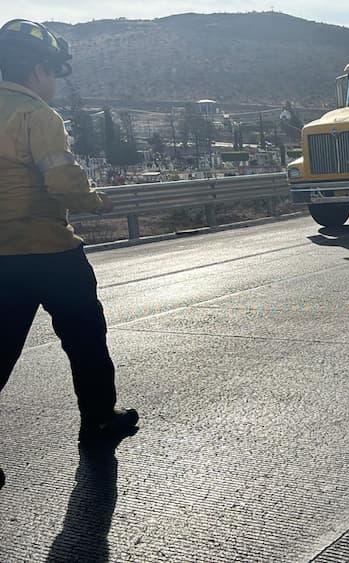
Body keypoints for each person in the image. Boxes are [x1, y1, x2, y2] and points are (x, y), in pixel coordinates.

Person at [0, 18, 139, 468]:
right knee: (85, 339)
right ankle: (98, 421)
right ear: (39, 69)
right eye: (55, 73)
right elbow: (62, 179)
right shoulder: (37, 115)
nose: (56, 83)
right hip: (49, 251)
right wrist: (96, 202)